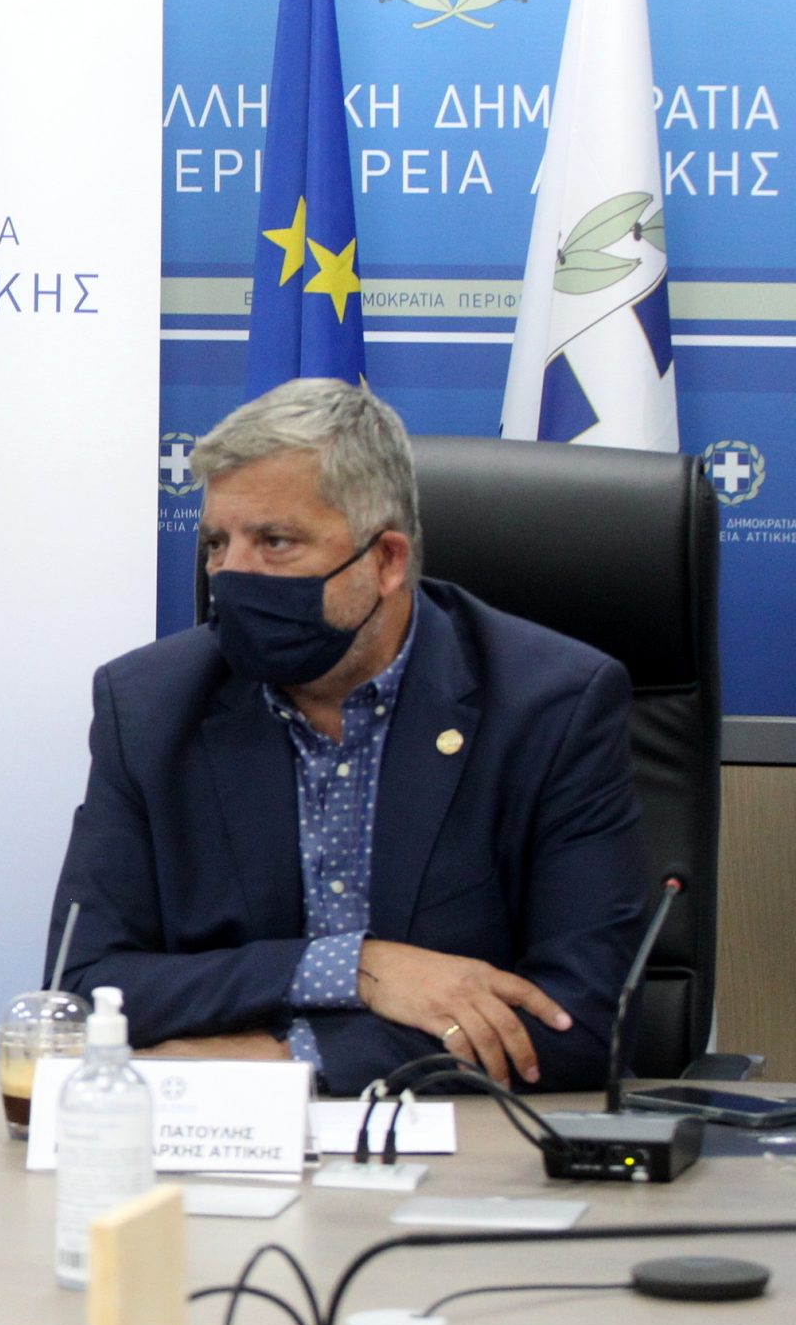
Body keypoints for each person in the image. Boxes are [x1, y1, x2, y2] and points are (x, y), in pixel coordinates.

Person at [45, 379, 648, 1095]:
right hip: (216, 1142)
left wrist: (291, 1061)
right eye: (217, 544)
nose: (232, 575)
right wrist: (354, 967)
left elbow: (583, 1019)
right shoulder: (148, 705)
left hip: (462, 1141)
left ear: (386, 560)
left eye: (275, 541)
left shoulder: (551, 708)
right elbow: (82, 989)